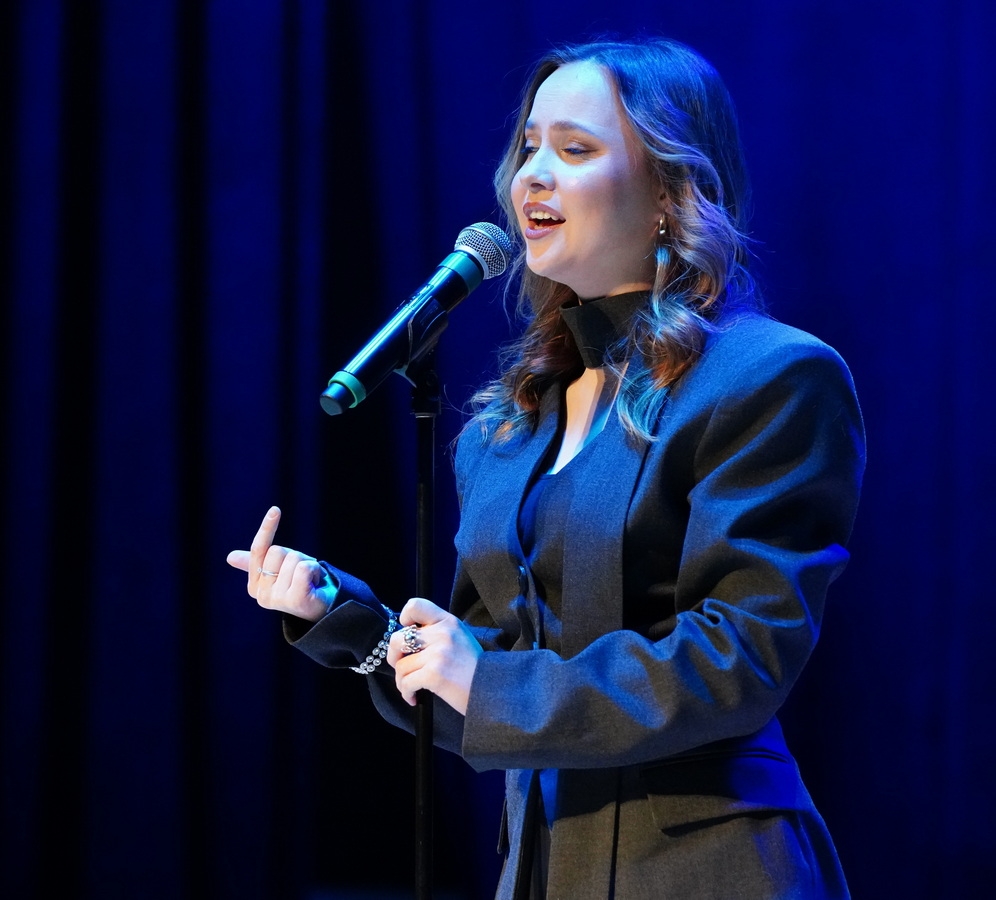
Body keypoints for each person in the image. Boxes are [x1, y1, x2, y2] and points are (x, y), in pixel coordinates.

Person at [227, 37, 864, 899]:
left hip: (709, 865)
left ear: (669, 192)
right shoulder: (507, 426)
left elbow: (739, 656)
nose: (531, 176)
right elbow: (483, 685)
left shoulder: (769, 376)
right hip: (544, 865)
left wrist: (485, 678)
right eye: (529, 147)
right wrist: (351, 621)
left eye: (575, 149)